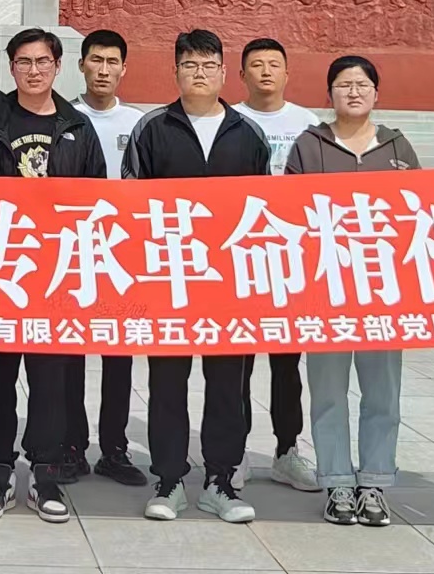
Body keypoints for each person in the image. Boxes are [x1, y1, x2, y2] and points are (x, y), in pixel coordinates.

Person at [0, 28, 106, 524]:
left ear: (58, 66)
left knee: (51, 382)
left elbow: (96, 199)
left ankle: (47, 474)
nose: (34, 70)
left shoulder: (78, 127)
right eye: (24, 62)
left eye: (43, 61)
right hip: (1, 271)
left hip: (57, 274)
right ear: (11, 67)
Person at [121, 28, 264, 525]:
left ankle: (221, 481)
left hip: (228, 285)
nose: (199, 74)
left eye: (207, 66)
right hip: (169, 280)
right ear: (175, 72)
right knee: (167, 383)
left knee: (227, 384)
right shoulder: (151, 128)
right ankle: (169, 479)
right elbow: (131, 203)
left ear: (224, 73)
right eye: (189, 65)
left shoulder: (247, 133)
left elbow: (263, 208)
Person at [284, 55, 419, 528]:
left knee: (383, 392)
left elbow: (418, 212)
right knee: (328, 392)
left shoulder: (398, 147)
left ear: (376, 93)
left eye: (362, 84)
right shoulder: (309, 145)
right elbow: (290, 213)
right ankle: (337, 481)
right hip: (326, 291)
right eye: (344, 85)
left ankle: (375, 482)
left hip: (383, 293)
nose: (354, 92)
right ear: (330, 94)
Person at [229, 37, 321, 494]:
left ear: (287, 73)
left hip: (292, 262)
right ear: (241, 75)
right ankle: (236, 451)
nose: (265, 71)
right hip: (241, 258)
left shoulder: (309, 125)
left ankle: (287, 451)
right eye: (256, 65)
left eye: (274, 64)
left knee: (288, 365)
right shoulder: (229, 121)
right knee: (237, 367)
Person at [64, 29, 149, 489]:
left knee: (119, 356)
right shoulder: (64, 117)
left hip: (123, 255)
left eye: (112, 62)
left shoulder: (139, 123)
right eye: (95, 60)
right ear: (81, 65)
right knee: (70, 356)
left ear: (124, 69)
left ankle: (114, 448)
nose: (103, 70)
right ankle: (72, 445)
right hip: (71, 251)